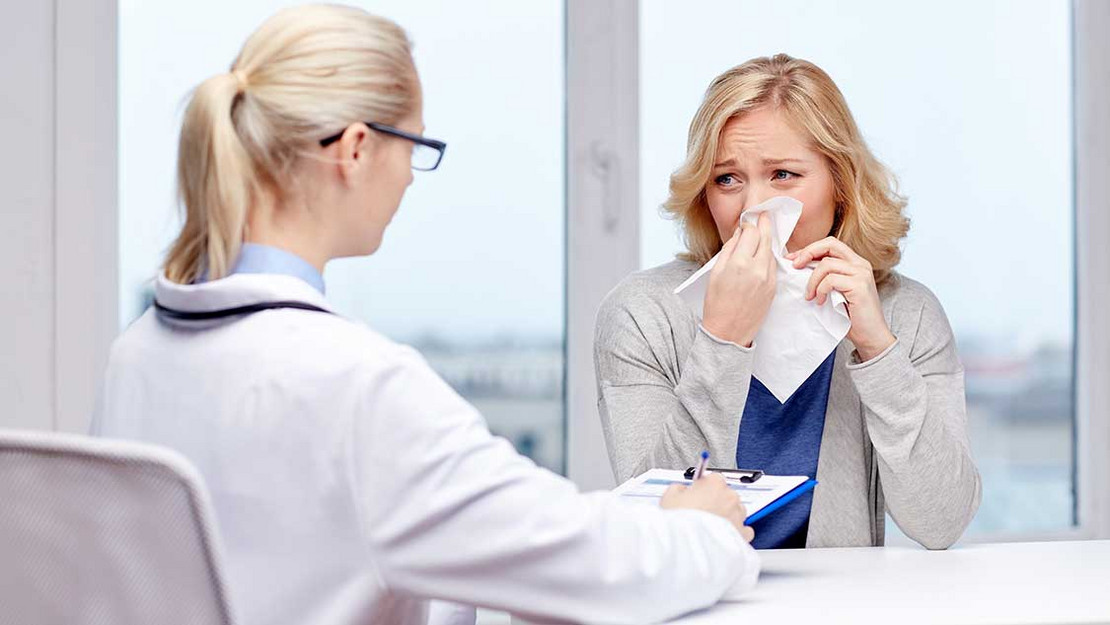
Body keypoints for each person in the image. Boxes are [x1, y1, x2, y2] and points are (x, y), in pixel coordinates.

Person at [92, 5, 763, 625]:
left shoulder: (139, 352)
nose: (412, 176)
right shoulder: (356, 384)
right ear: (355, 148)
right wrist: (700, 529)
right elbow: (592, 568)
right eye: (412, 146)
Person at [594, 54, 980, 551]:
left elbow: (941, 521)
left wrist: (879, 350)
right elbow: (656, 524)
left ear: (841, 185)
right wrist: (722, 338)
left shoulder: (908, 313)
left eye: (782, 175)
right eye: (726, 179)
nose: (754, 208)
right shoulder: (643, 314)